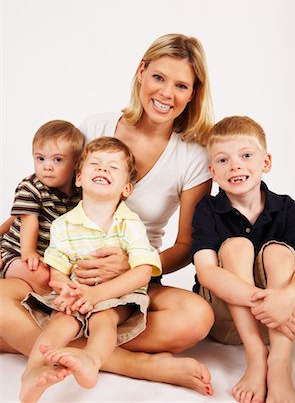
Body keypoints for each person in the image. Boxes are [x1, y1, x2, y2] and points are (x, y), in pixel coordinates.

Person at [0, 33, 215, 396]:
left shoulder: (193, 155)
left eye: (181, 85)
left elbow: (185, 245)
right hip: (65, 269)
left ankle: (38, 345)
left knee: (197, 317)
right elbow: (40, 195)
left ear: (193, 93)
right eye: (159, 77)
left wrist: (129, 268)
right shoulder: (96, 127)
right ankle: (132, 363)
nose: (166, 94)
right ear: (141, 72)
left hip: (131, 277)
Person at [20, 136, 162, 402]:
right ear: (79, 178)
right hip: (78, 292)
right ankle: (32, 371)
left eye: (112, 167)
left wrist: (98, 295)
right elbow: (57, 267)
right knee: (60, 322)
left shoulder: (129, 223)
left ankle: (91, 359)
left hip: (118, 294)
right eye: (95, 164)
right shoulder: (64, 224)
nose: (102, 169)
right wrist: (66, 290)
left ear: (127, 188)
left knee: (103, 319)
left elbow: (143, 271)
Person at [191, 115, 295, 403]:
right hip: (227, 320)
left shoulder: (287, 207)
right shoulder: (208, 209)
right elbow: (207, 274)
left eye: (246, 155)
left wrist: (287, 296)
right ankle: (255, 356)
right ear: (212, 171)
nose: (235, 165)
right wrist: (264, 300)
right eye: (223, 160)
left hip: (281, 320)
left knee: (279, 252)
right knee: (236, 246)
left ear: (266, 162)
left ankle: (279, 362)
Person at [0, 120, 84, 293]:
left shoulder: (80, 191)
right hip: (17, 250)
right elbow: (29, 222)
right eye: (40, 158)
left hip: (53, 256)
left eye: (57, 159)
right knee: (42, 278)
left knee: (67, 277)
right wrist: (29, 252)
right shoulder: (31, 187)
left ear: (76, 163)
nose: (47, 166)